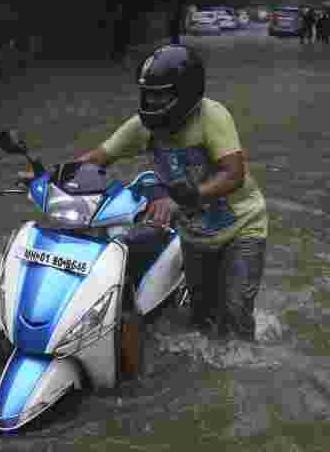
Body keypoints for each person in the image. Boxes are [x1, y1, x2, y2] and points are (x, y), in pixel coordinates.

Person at [72, 44, 268, 340]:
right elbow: (99, 156)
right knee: (202, 320)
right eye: (148, 93)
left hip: (243, 227)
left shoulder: (211, 117)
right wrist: (53, 175)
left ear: (186, 92)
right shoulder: (142, 127)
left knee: (236, 314)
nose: (152, 100)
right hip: (195, 234)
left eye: (161, 94)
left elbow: (234, 173)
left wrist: (185, 199)